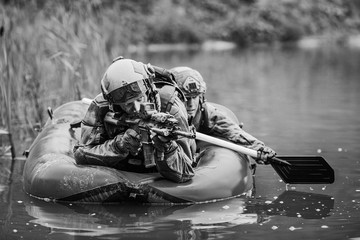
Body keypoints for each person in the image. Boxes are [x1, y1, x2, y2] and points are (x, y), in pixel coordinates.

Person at [73, 58, 195, 183]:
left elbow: (187, 171)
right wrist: (120, 145)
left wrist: (166, 146)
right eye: (128, 104)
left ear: (149, 90)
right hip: (119, 173)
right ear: (116, 105)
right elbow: (81, 155)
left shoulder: (170, 106)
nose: (137, 108)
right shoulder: (102, 106)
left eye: (140, 98)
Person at [170, 66, 276, 164]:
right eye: (186, 98)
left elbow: (231, 130)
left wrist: (258, 148)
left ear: (201, 97)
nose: (191, 104)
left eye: (195, 97)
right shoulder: (164, 112)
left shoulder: (206, 113)